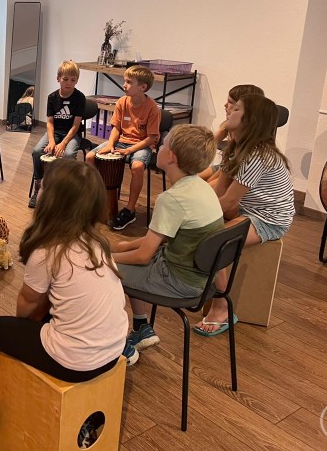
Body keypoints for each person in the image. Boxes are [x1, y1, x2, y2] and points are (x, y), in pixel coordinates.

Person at [0, 160, 129, 441]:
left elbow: (26, 304)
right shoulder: (99, 243)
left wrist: (22, 323)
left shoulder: (48, 250)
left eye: (43, 185)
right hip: (113, 350)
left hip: (74, 361)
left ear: (50, 200)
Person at [110, 125, 224, 363]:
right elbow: (166, 237)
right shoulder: (201, 187)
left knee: (104, 272)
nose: (158, 147)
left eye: (163, 144)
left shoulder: (172, 199)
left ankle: (115, 343)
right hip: (201, 277)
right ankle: (141, 326)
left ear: (171, 157)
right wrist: (124, 247)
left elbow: (143, 256)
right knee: (123, 252)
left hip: (179, 281)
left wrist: (105, 259)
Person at [195, 94, 294, 335]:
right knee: (202, 230)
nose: (228, 110)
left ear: (250, 120)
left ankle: (221, 308)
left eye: (236, 109)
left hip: (269, 218)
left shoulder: (257, 155)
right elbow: (219, 191)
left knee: (215, 243)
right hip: (248, 210)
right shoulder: (237, 147)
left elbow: (228, 201)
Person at [86, 65, 160, 229]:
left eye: (128, 82)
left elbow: (151, 138)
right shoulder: (122, 101)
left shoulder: (152, 108)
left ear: (143, 87)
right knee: (90, 157)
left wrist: (129, 151)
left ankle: (130, 210)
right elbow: (116, 128)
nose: (124, 85)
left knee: (138, 166)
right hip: (120, 141)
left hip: (141, 145)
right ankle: (94, 199)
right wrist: (111, 144)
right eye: (124, 81)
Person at [28, 61, 85, 208]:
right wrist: (52, 141)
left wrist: (63, 143)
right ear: (58, 78)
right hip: (55, 132)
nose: (69, 83)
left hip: (71, 134)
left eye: (73, 80)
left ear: (77, 80)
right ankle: (38, 186)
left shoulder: (79, 97)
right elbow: (50, 122)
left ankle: (66, 190)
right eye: (65, 79)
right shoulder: (52, 97)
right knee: (36, 151)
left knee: (68, 154)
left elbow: (76, 125)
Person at [199, 84, 265, 182]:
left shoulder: (251, 145)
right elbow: (201, 154)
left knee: (198, 187)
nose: (225, 105)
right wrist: (220, 133)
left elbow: (227, 176)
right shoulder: (230, 128)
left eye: (230, 102)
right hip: (227, 167)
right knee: (192, 179)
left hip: (237, 170)